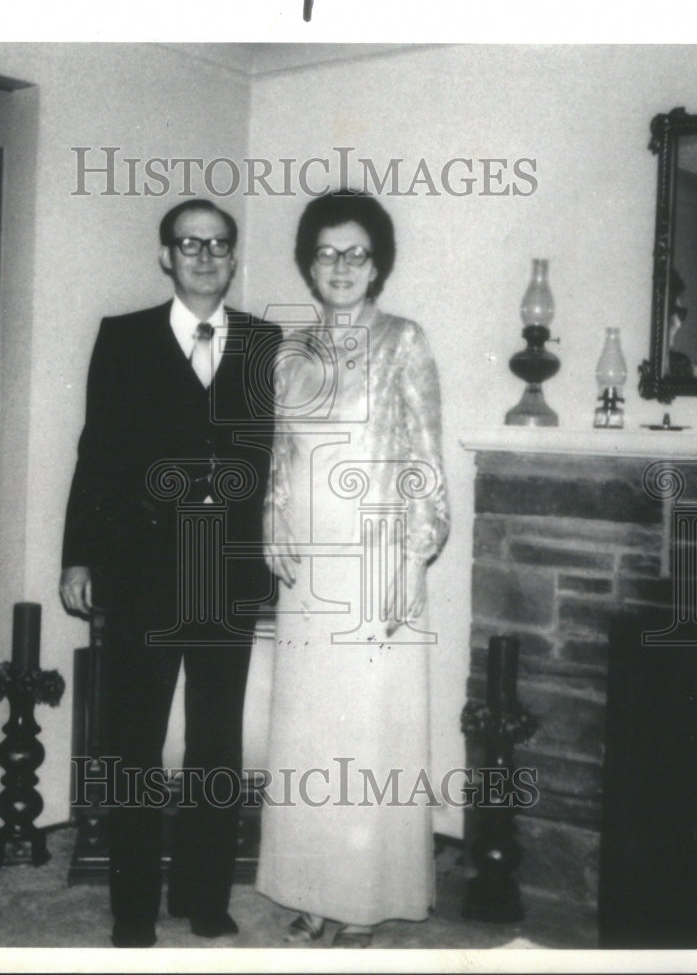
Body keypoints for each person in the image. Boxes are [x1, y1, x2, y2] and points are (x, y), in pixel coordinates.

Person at [60, 200, 280, 948]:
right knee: (135, 742)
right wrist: (79, 554)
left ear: (233, 255)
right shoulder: (122, 339)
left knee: (216, 742)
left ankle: (203, 895)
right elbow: (95, 453)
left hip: (228, 573)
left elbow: (279, 457)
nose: (205, 255)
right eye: (190, 243)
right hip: (143, 571)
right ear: (165, 255)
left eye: (219, 244)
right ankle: (131, 907)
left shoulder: (264, 342)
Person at [255, 191, 450, 948]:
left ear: (378, 265)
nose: (341, 266)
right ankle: (313, 890)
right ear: (308, 263)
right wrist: (272, 514)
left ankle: (360, 899)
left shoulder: (405, 340)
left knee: (366, 736)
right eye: (326, 252)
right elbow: (281, 451)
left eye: (356, 253)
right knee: (309, 735)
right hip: (308, 567)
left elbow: (425, 463)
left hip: (377, 560)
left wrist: (412, 554)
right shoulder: (289, 352)